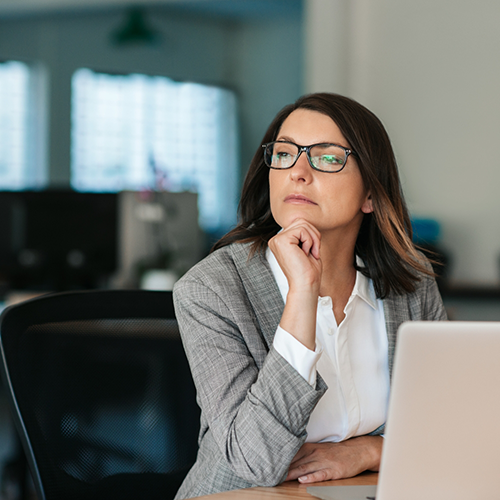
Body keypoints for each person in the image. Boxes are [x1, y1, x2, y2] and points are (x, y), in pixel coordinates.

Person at [173, 93, 447, 499]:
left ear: (370, 194)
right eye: (284, 154)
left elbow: (448, 425)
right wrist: (302, 295)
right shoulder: (211, 289)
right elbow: (255, 460)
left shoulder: (412, 286)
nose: (298, 172)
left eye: (327, 157)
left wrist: (370, 450)